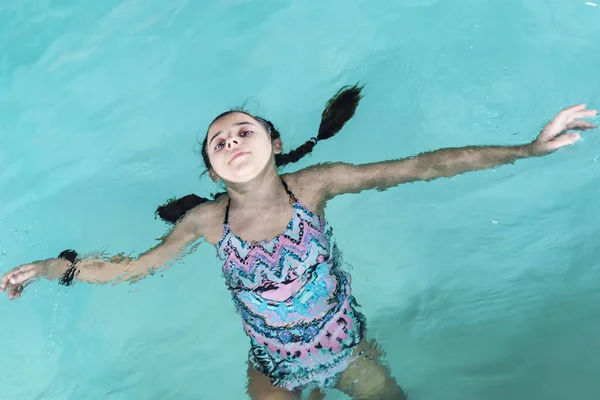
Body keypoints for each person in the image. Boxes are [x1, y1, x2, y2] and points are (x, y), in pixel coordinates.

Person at [2, 98, 596, 399]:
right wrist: (58, 268)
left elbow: (420, 167)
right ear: (212, 172)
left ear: (274, 142)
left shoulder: (315, 185)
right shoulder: (207, 220)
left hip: (346, 347)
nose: (232, 140)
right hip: (274, 367)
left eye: (244, 131)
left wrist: (526, 149)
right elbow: (135, 268)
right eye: (219, 142)